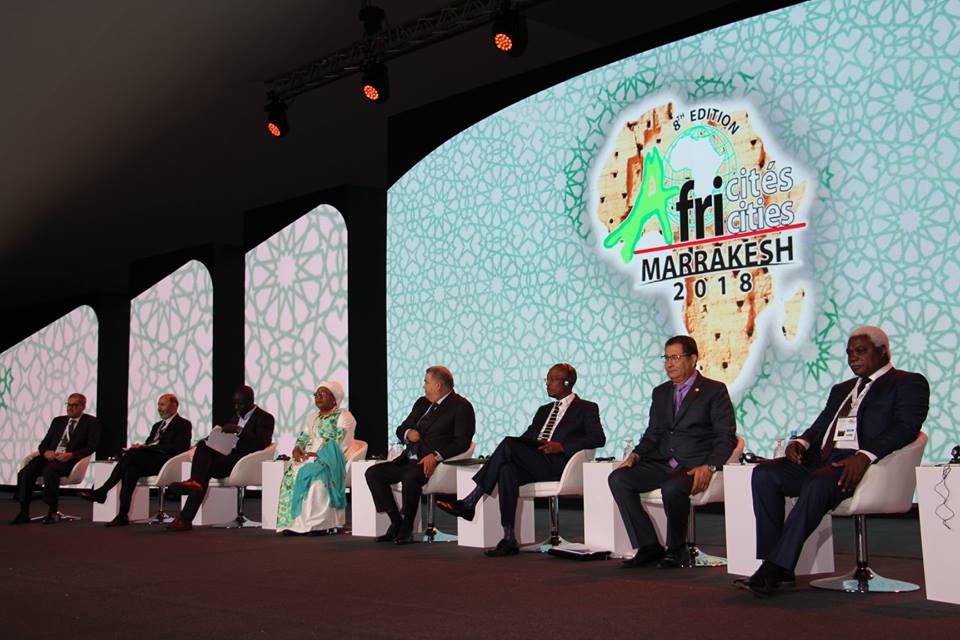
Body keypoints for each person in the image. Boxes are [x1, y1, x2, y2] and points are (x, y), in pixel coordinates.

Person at [735, 326, 929, 597]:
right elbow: (821, 425)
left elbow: (906, 428)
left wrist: (865, 456)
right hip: (822, 460)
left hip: (861, 464)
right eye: (849, 353)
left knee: (817, 483)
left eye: (861, 351)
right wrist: (801, 442)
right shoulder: (842, 389)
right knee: (765, 474)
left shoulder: (907, 382)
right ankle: (776, 565)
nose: (853, 358)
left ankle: (773, 568)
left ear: (883, 351)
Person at [437, 363, 606, 556]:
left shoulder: (586, 408)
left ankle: (471, 501)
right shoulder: (544, 410)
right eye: (547, 379)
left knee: (509, 444)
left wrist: (562, 446)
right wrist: (504, 451)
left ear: (567, 383)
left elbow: (598, 438)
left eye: (552, 379)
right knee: (506, 470)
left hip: (559, 465)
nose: (547, 383)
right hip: (536, 461)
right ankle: (509, 537)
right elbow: (528, 437)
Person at [608, 335, 737, 568]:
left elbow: (725, 436)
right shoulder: (661, 392)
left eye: (676, 357)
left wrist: (710, 466)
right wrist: (636, 455)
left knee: (672, 487)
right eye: (666, 358)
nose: (669, 363)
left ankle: (677, 549)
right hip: (662, 462)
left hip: (694, 464)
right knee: (619, 479)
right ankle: (649, 545)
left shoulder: (714, 390)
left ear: (693, 359)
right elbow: (653, 432)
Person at [365, 366, 475, 544]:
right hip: (408, 459)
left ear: (438, 385)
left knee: (410, 476)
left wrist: (436, 456)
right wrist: (408, 433)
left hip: (433, 463)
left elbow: (462, 441)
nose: (424, 386)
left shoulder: (461, 406)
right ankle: (396, 522)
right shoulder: (422, 403)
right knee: (373, 473)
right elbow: (401, 428)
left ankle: (407, 527)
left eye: (426, 382)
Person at [166, 385, 275, 531]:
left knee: (202, 473)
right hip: (228, 456)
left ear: (251, 401)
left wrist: (239, 430)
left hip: (245, 460)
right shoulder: (235, 417)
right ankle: (193, 488)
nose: (236, 407)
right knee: (203, 447)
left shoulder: (265, 418)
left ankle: (186, 516)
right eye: (235, 404)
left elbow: (262, 443)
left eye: (241, 404)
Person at [79, 394, 191, 526]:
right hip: (149, 461)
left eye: (162, 404)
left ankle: (102, 491)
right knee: (130, 471)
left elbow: (180, 448)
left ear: (174, 406)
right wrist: (143, 447)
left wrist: (148, 448)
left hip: (166, 462)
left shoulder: (183, 424)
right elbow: (150, 444)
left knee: (131, 455)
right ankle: (122, 515)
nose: (159, 408)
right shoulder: (157, 425)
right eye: (158, 405)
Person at [276, 381, 356, 535]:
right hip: (312, 457)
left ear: (334, 399)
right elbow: (303, 438)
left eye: (323, 394)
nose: (318, 397)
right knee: (292, 473)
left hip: (332, 459)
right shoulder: (312, 417)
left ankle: (319, 525)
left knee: (312, 475)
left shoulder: (344, 416)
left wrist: (319, 455)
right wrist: (297, 449)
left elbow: (338, 443)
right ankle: (294, 524)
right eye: (316, 394)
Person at [11, 393, 102, 525]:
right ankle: (24, 511)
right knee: (26, 471)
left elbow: (92, 447)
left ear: (82, 406)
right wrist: (46, 452)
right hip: (50, 457)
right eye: (68, 405)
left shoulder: (91, 422)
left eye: (74, 405)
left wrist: (71, 455)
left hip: (69, 460)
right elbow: (43, 444)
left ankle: (52, 511)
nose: (70, 408)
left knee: (50, 470)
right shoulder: (58, 421)